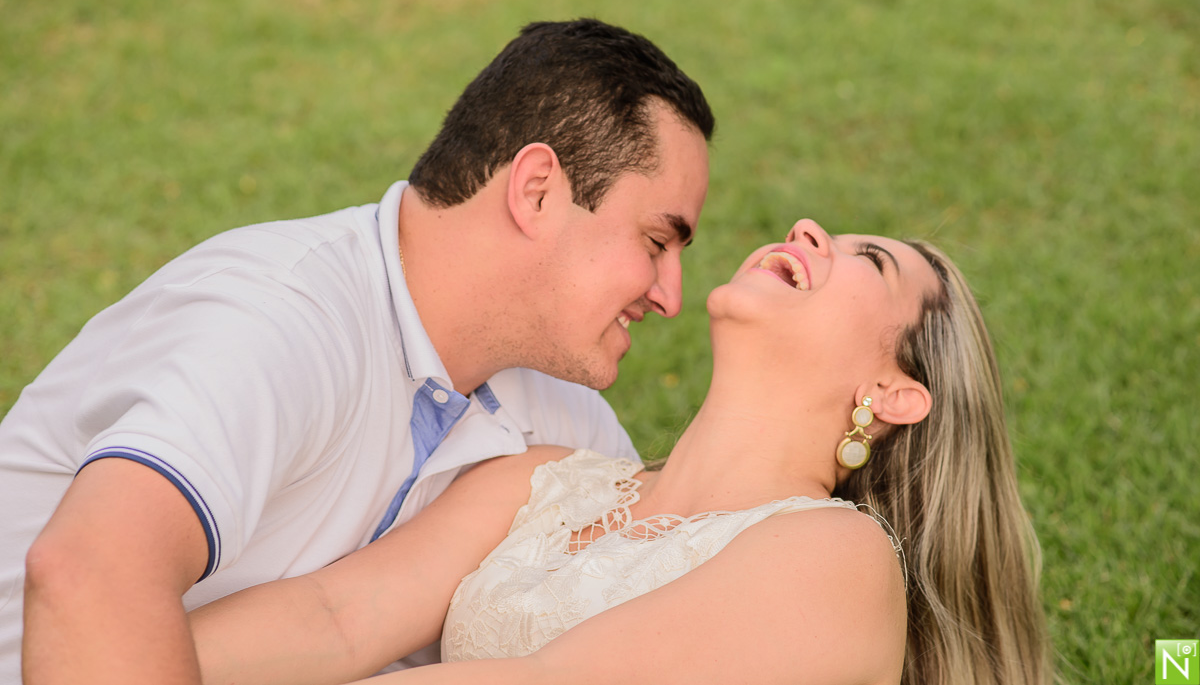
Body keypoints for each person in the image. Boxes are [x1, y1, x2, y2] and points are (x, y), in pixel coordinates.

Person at [0, 18, 714, 684]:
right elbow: (87, 575)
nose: (670, 295)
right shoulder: (279, 318)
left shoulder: (569, 426)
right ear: (535, 192)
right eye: (656, 242)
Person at [190, 218, 1053, 685]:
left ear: (898, 392)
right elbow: (333, 617)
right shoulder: (540, 477)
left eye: (870, 258)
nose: (809, 226)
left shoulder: (839, 556)